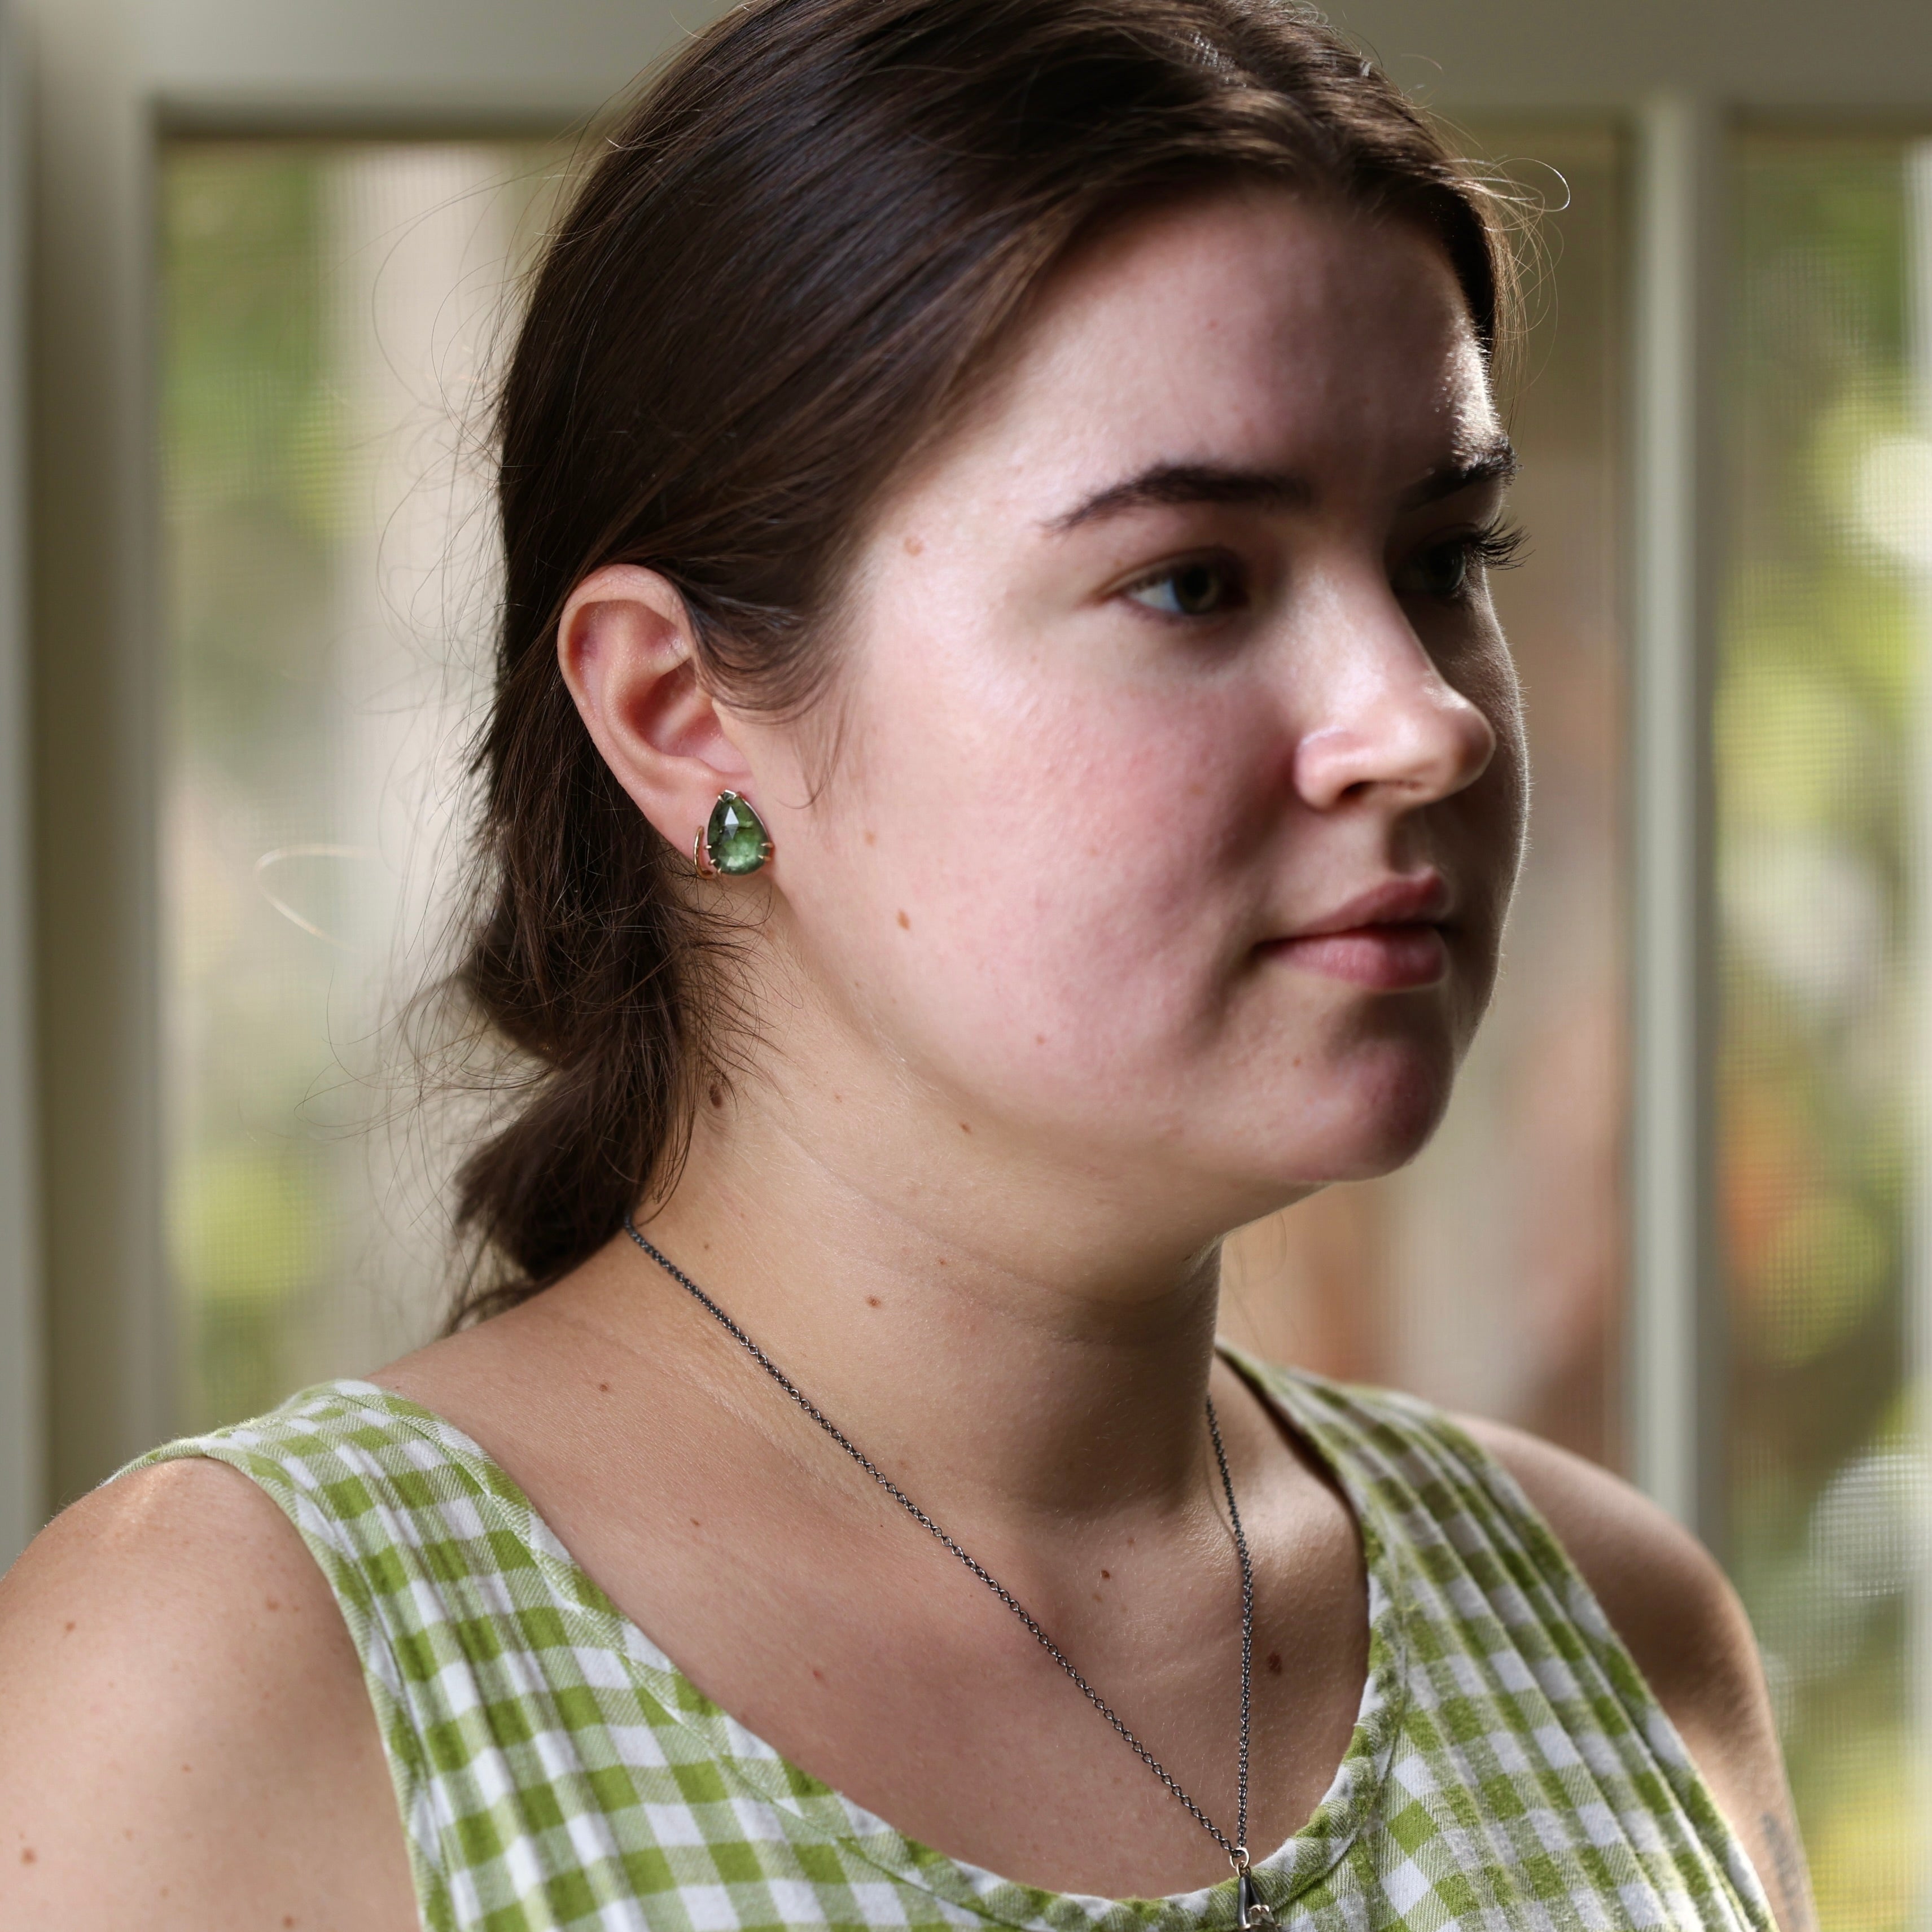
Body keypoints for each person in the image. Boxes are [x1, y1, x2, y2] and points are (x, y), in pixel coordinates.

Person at [0, 2, 1812, 1927]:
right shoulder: (231, 1673)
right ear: (684, 711)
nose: (1422, 722)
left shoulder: (1615, 1635)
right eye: (1194, 577)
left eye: (1447, 557)